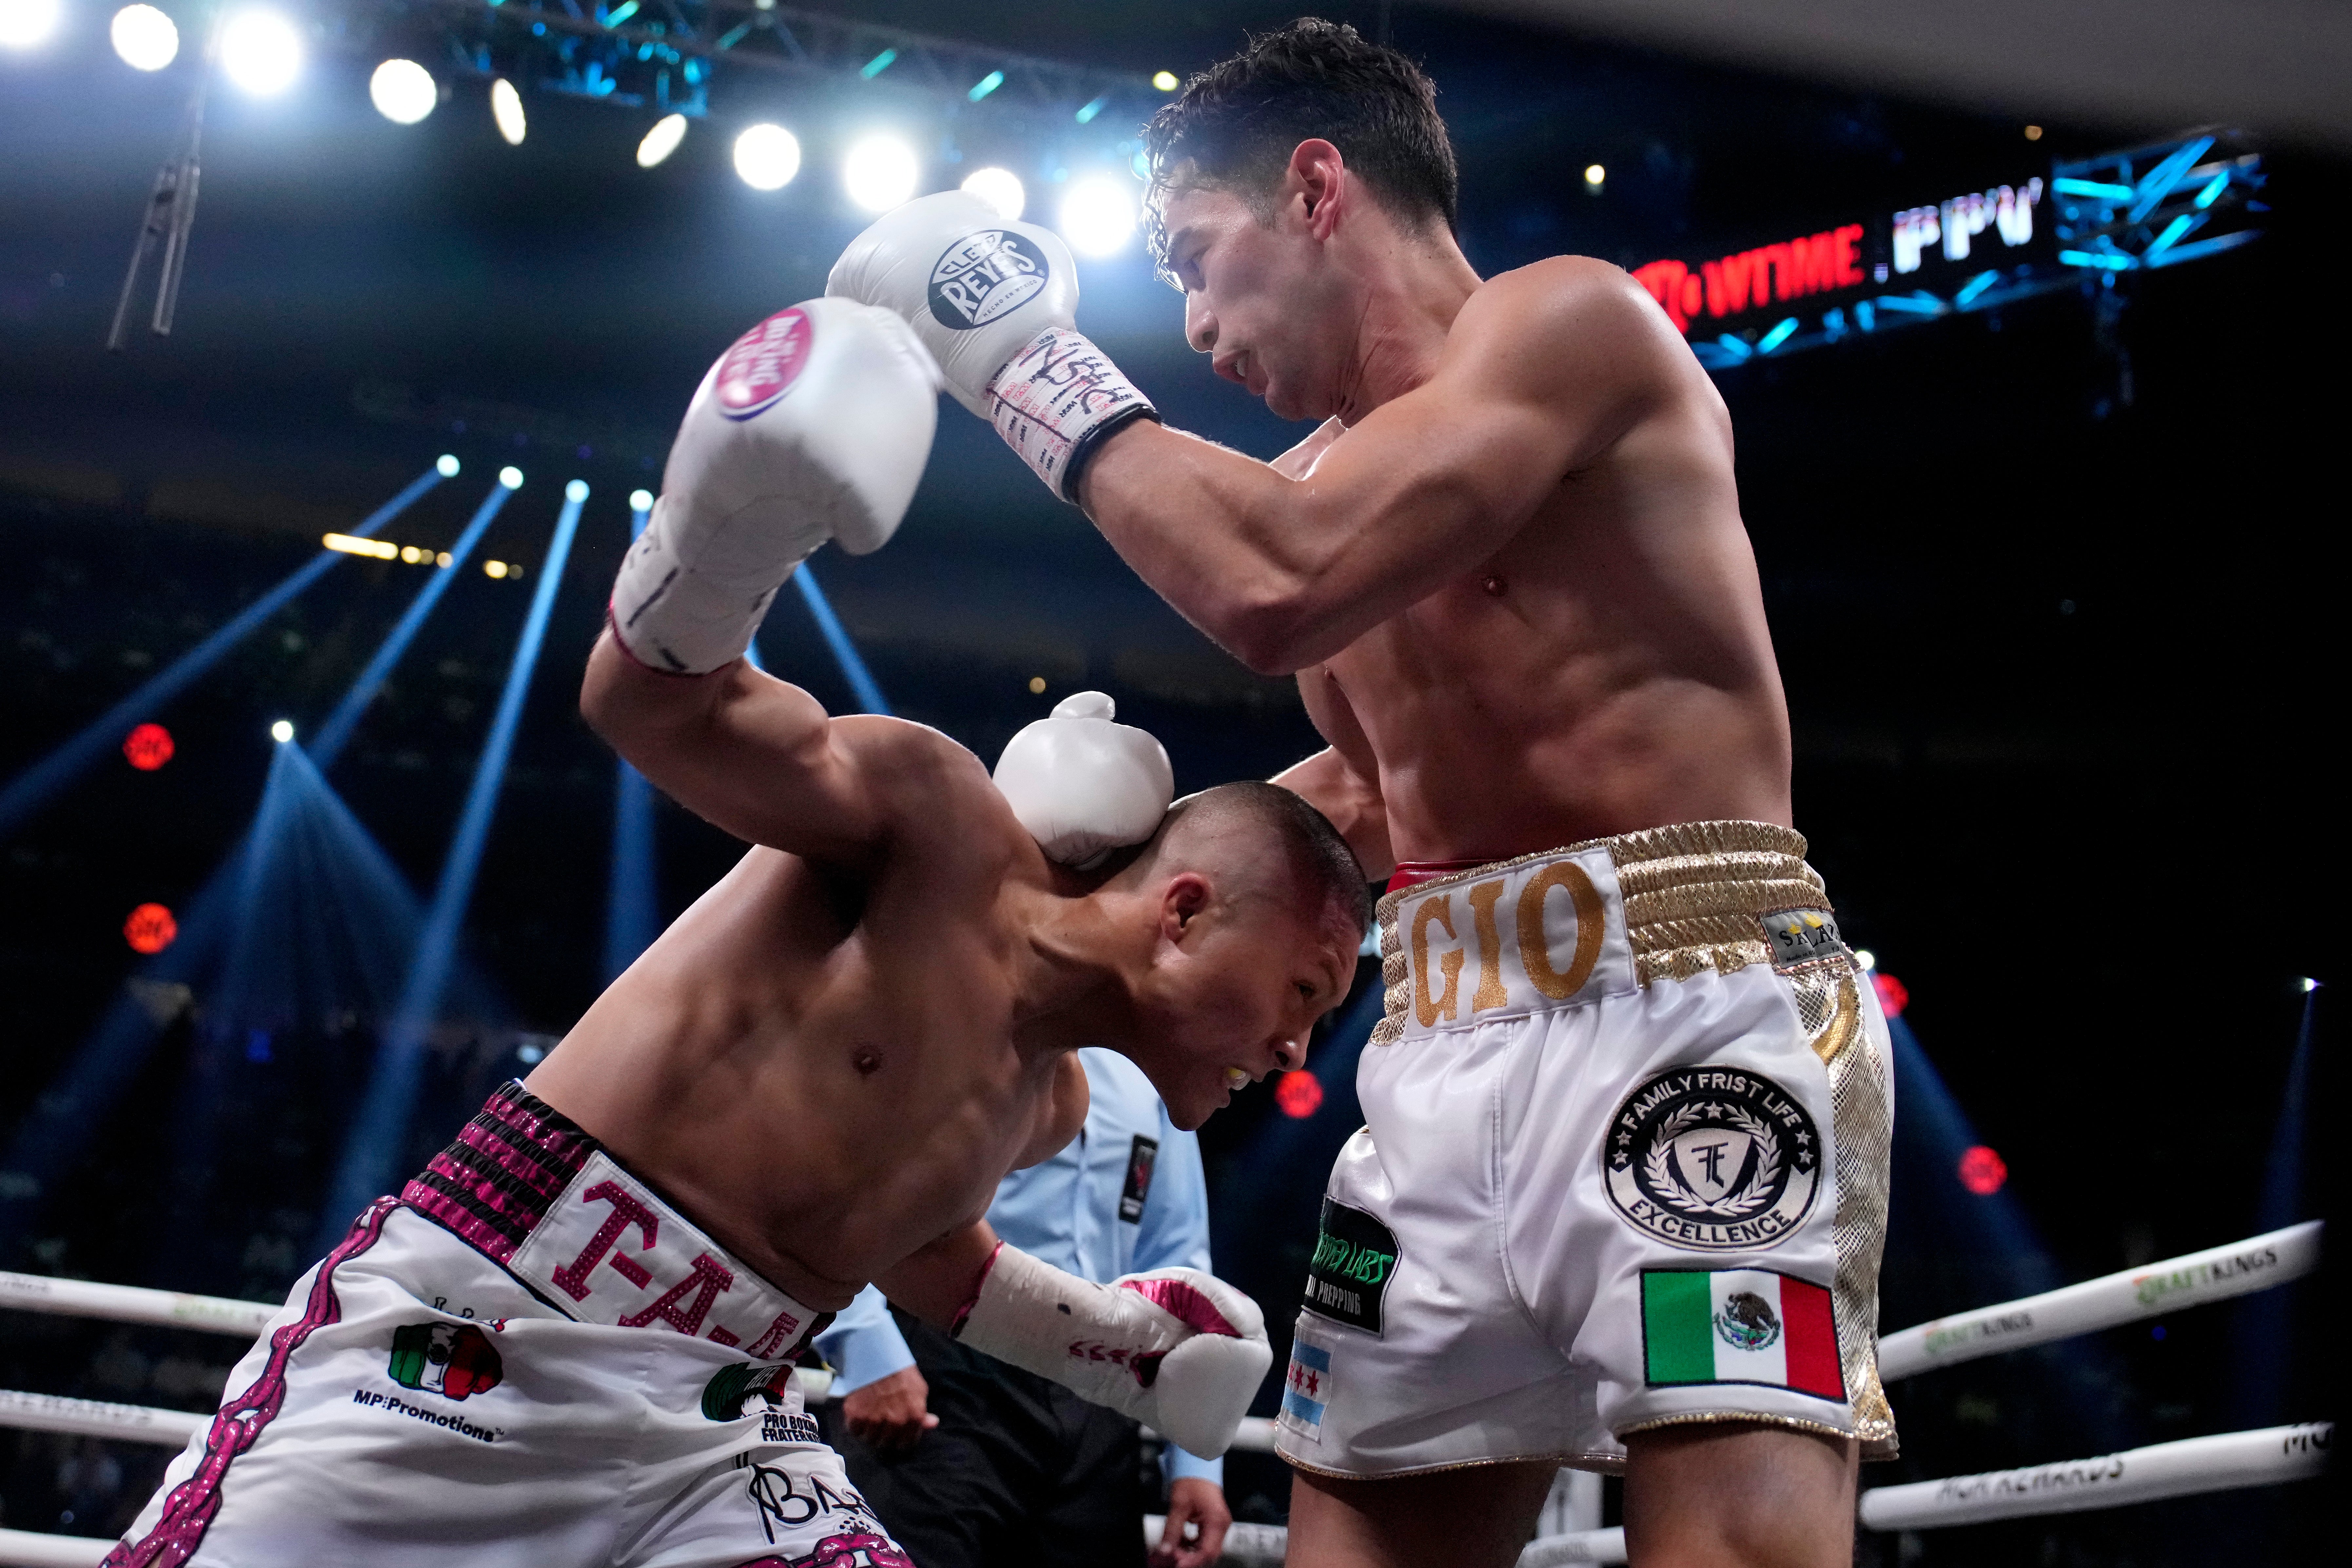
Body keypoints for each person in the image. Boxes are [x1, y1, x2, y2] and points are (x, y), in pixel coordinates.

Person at [826, 20, 1895, 1568]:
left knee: (1728, 1548)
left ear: (1315, 190)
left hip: (1687, 999)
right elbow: (1368, 787)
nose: (1192, 322)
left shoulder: (1567, 326)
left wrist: (1019, 361)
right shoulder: (1319, 480)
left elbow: (1276, 588)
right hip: (1440, 1036)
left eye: (1196, 259)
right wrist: (1100, 860)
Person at [104, 296, 1368, 1568]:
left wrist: (1124, 1346)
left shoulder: (1044, 1109)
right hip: (476, 1331)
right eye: (1305, 985)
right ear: (1186, 912)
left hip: (713, 1426)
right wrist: (728, 515)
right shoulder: (938, 831)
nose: (1301, 1039)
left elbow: (938, 1258)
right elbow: (652, 709)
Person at [820, 1049, 1233, 1568]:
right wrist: (865, 1348)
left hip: (1099, 1397)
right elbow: (849, 1178)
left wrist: (1194, 1459)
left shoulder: (1150, 1069)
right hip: (948, 1370)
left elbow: (1177, 1266)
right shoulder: (968, 1021)